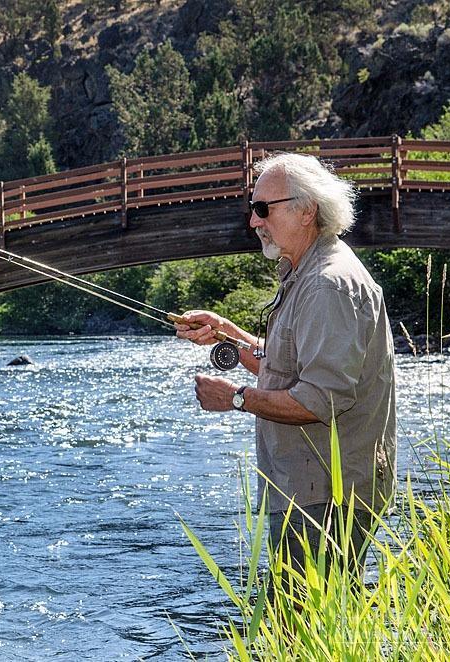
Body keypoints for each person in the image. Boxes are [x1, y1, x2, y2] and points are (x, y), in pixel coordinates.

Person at [174, 152, 396, 593]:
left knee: (301, 625)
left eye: (263, 209)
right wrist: (228, 336)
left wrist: (234, 397)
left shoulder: (326, 284)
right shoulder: (306, 271)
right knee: (308, 622)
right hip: (313, 487)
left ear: (306, 210)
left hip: (328, 494)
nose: (254, 221)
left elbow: (319, 399)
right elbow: (290, 366)